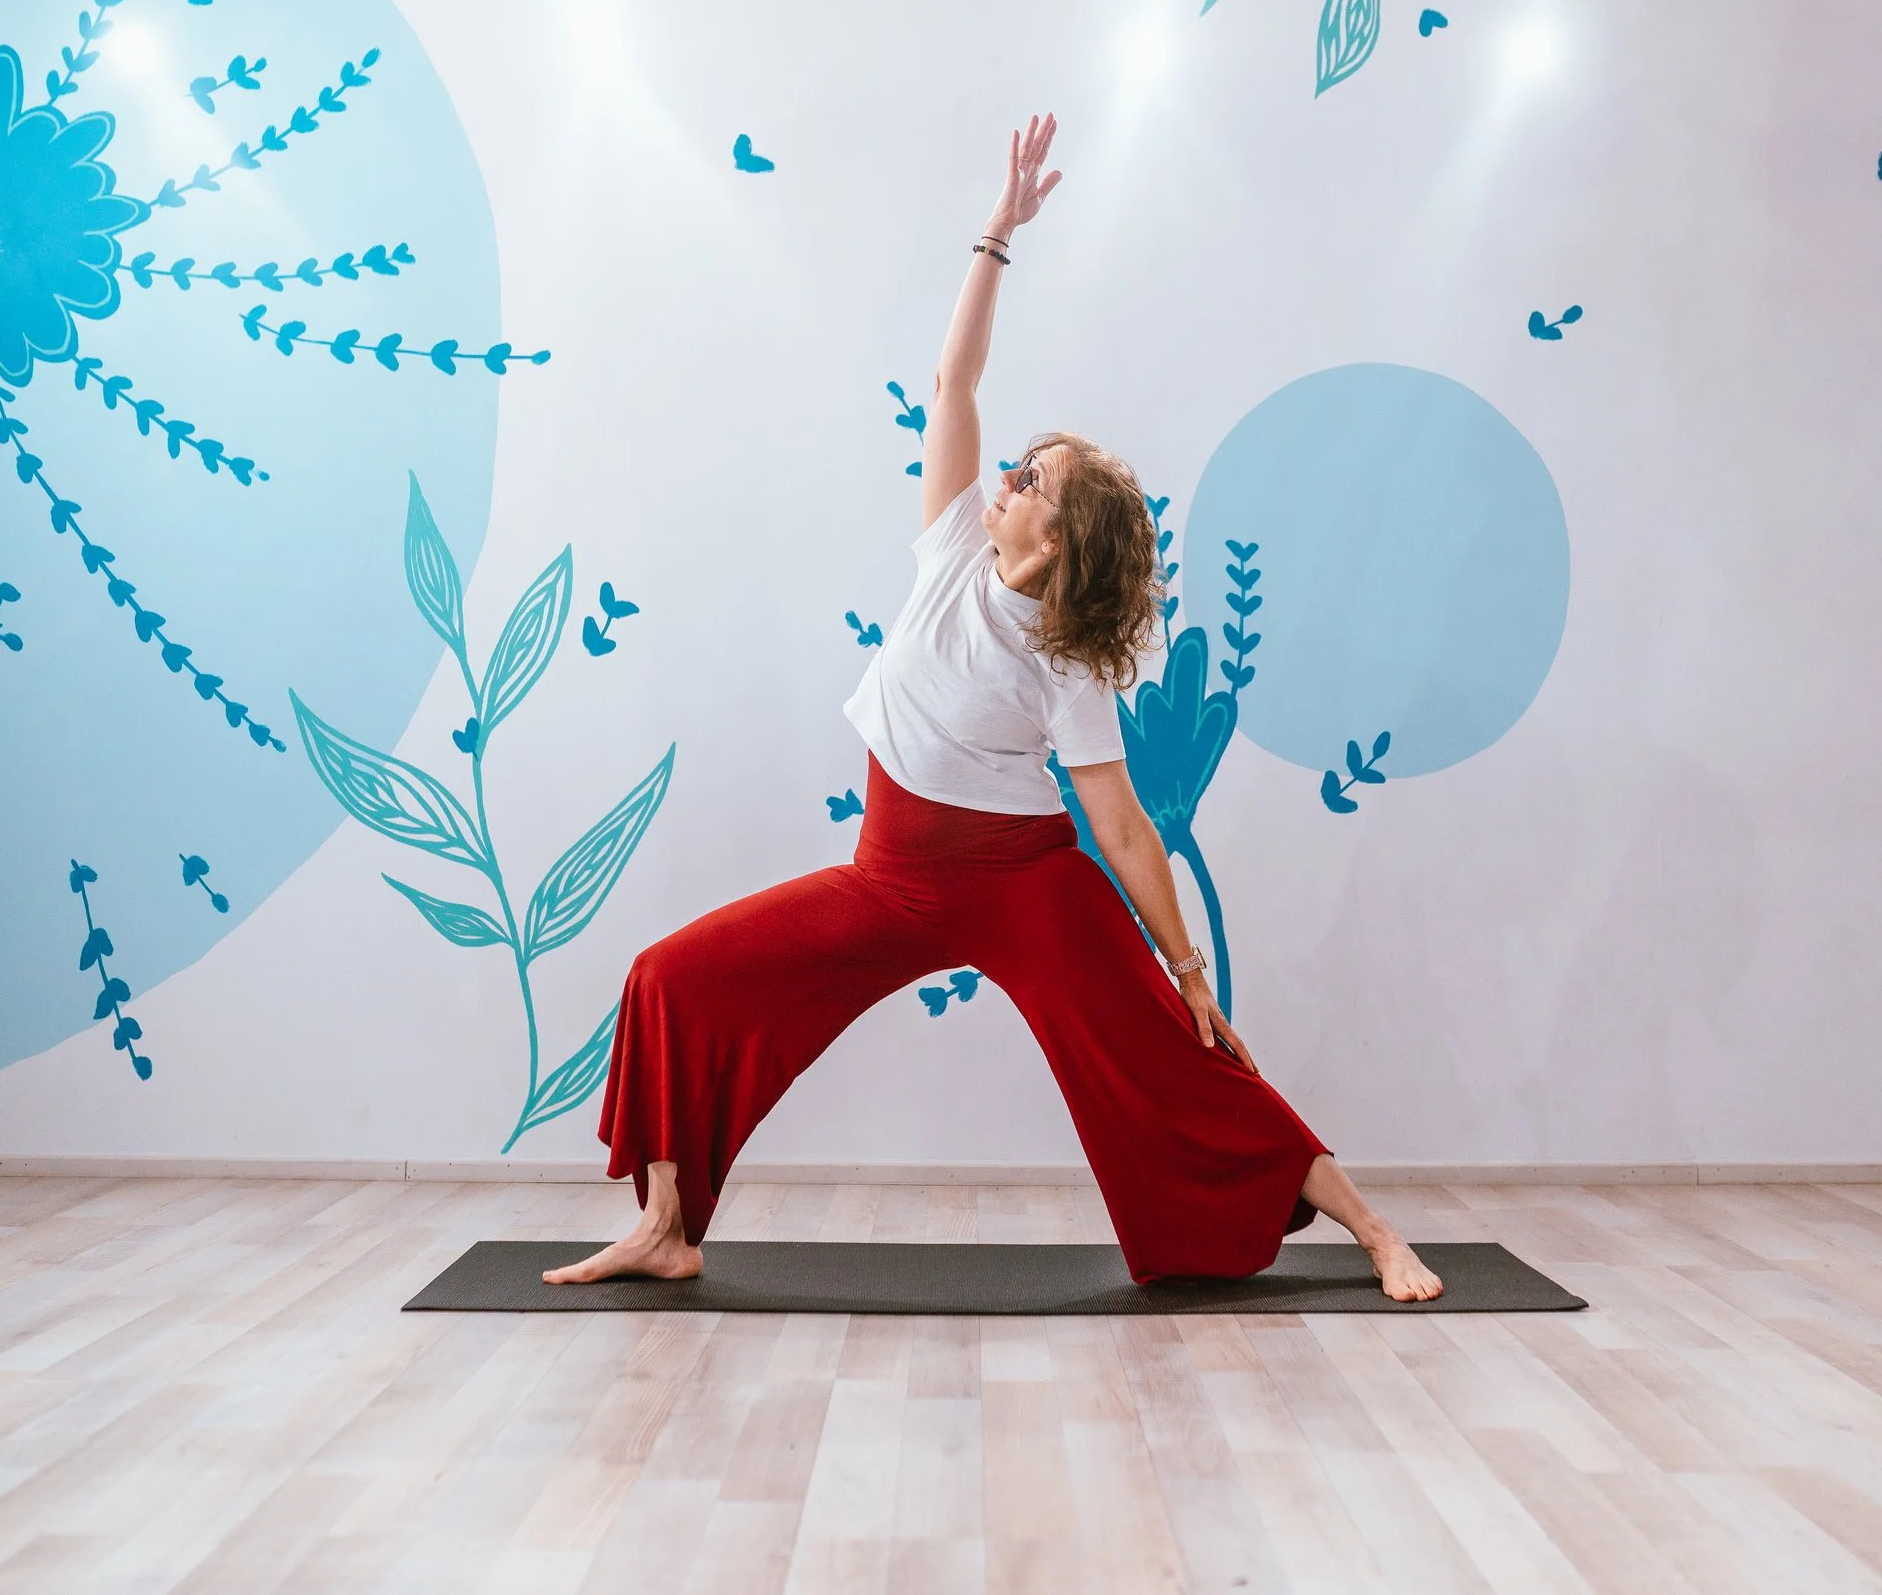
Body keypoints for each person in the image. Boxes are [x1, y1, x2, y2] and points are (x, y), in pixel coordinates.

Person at [548, 115, 1441, 1301]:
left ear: (1057, 536)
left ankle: (1376, 1229)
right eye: (1017, 465)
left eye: (1033, 479)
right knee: (676, 977)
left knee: (1177, 1061)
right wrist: (997, 232)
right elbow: (952, 378)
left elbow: (1120, 827)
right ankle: (668, 1224)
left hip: (1025, 887)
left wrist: (1184, 968)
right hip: (888, 875)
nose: (1008, 474)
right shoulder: (950, 546)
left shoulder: (1067, 662)